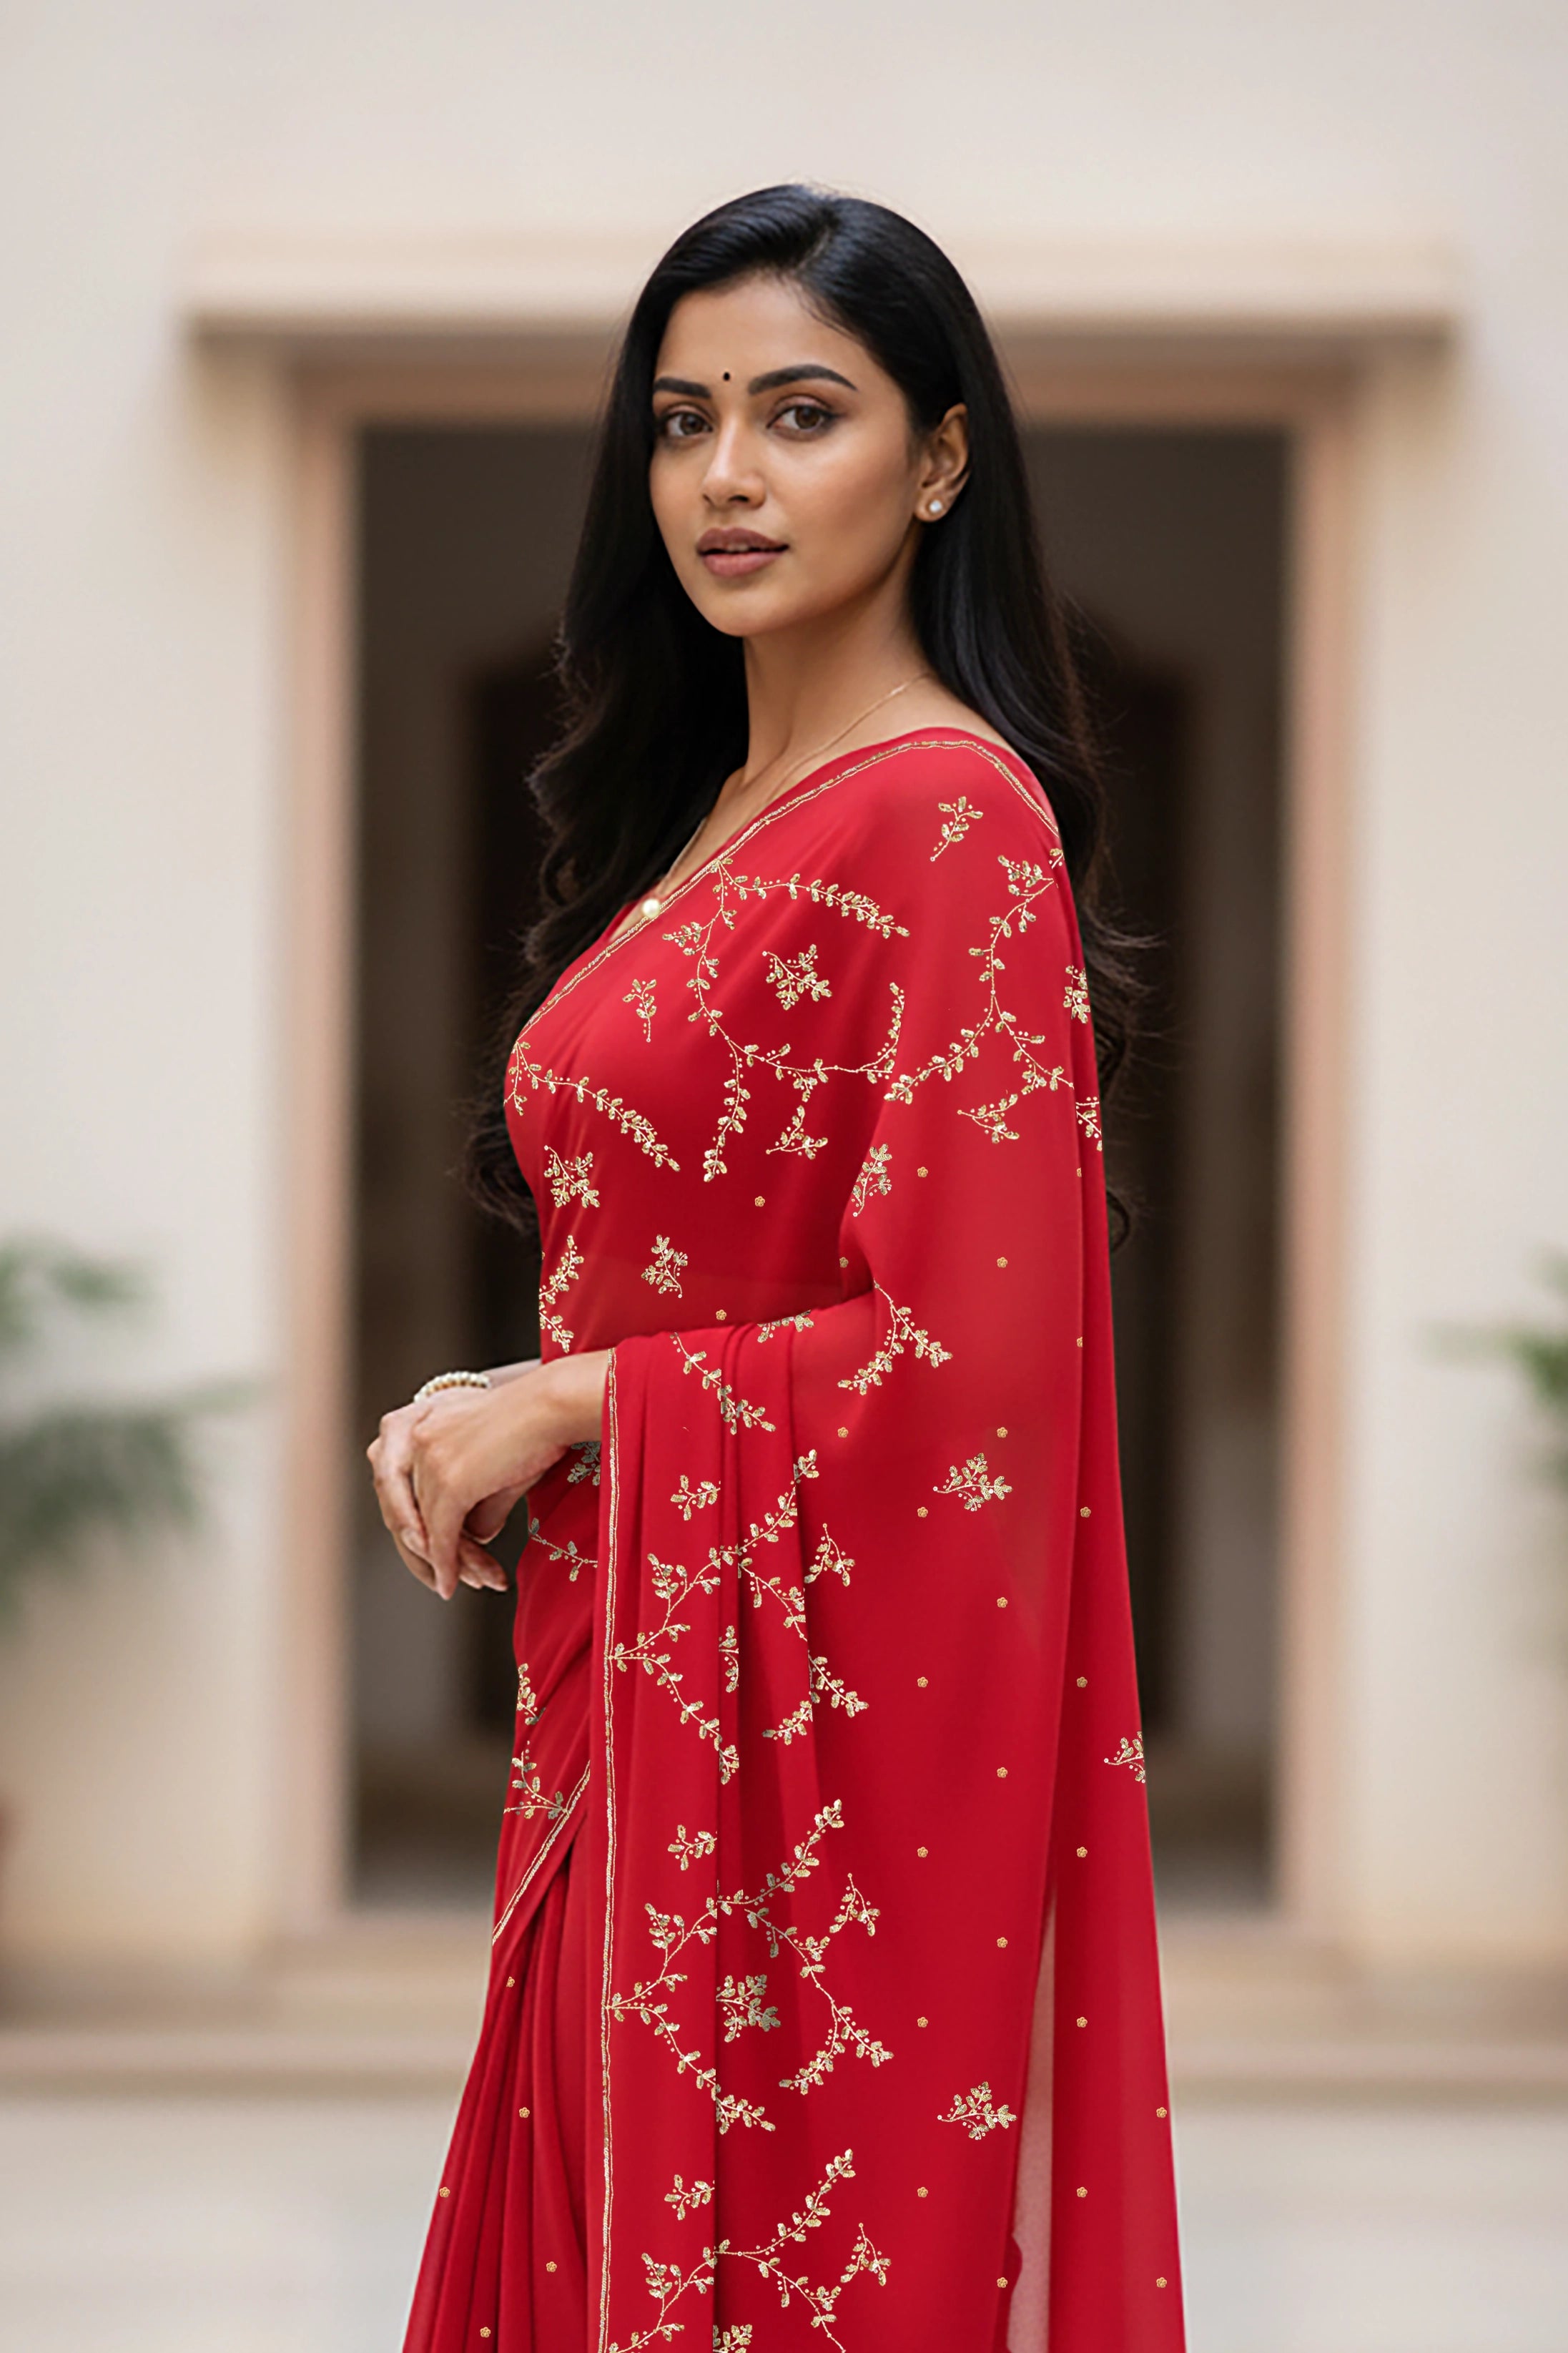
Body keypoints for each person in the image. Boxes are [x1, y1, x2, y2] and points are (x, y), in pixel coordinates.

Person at [368, 182, 1185, 2353]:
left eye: (798, 413)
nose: (724, 478)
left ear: (935, 460)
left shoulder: (950, 819)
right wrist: (527, 1407)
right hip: (626, 1702)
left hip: (794, 1765)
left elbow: (975, 1369)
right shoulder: (714, 820)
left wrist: (563, 1406)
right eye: (681, 419)